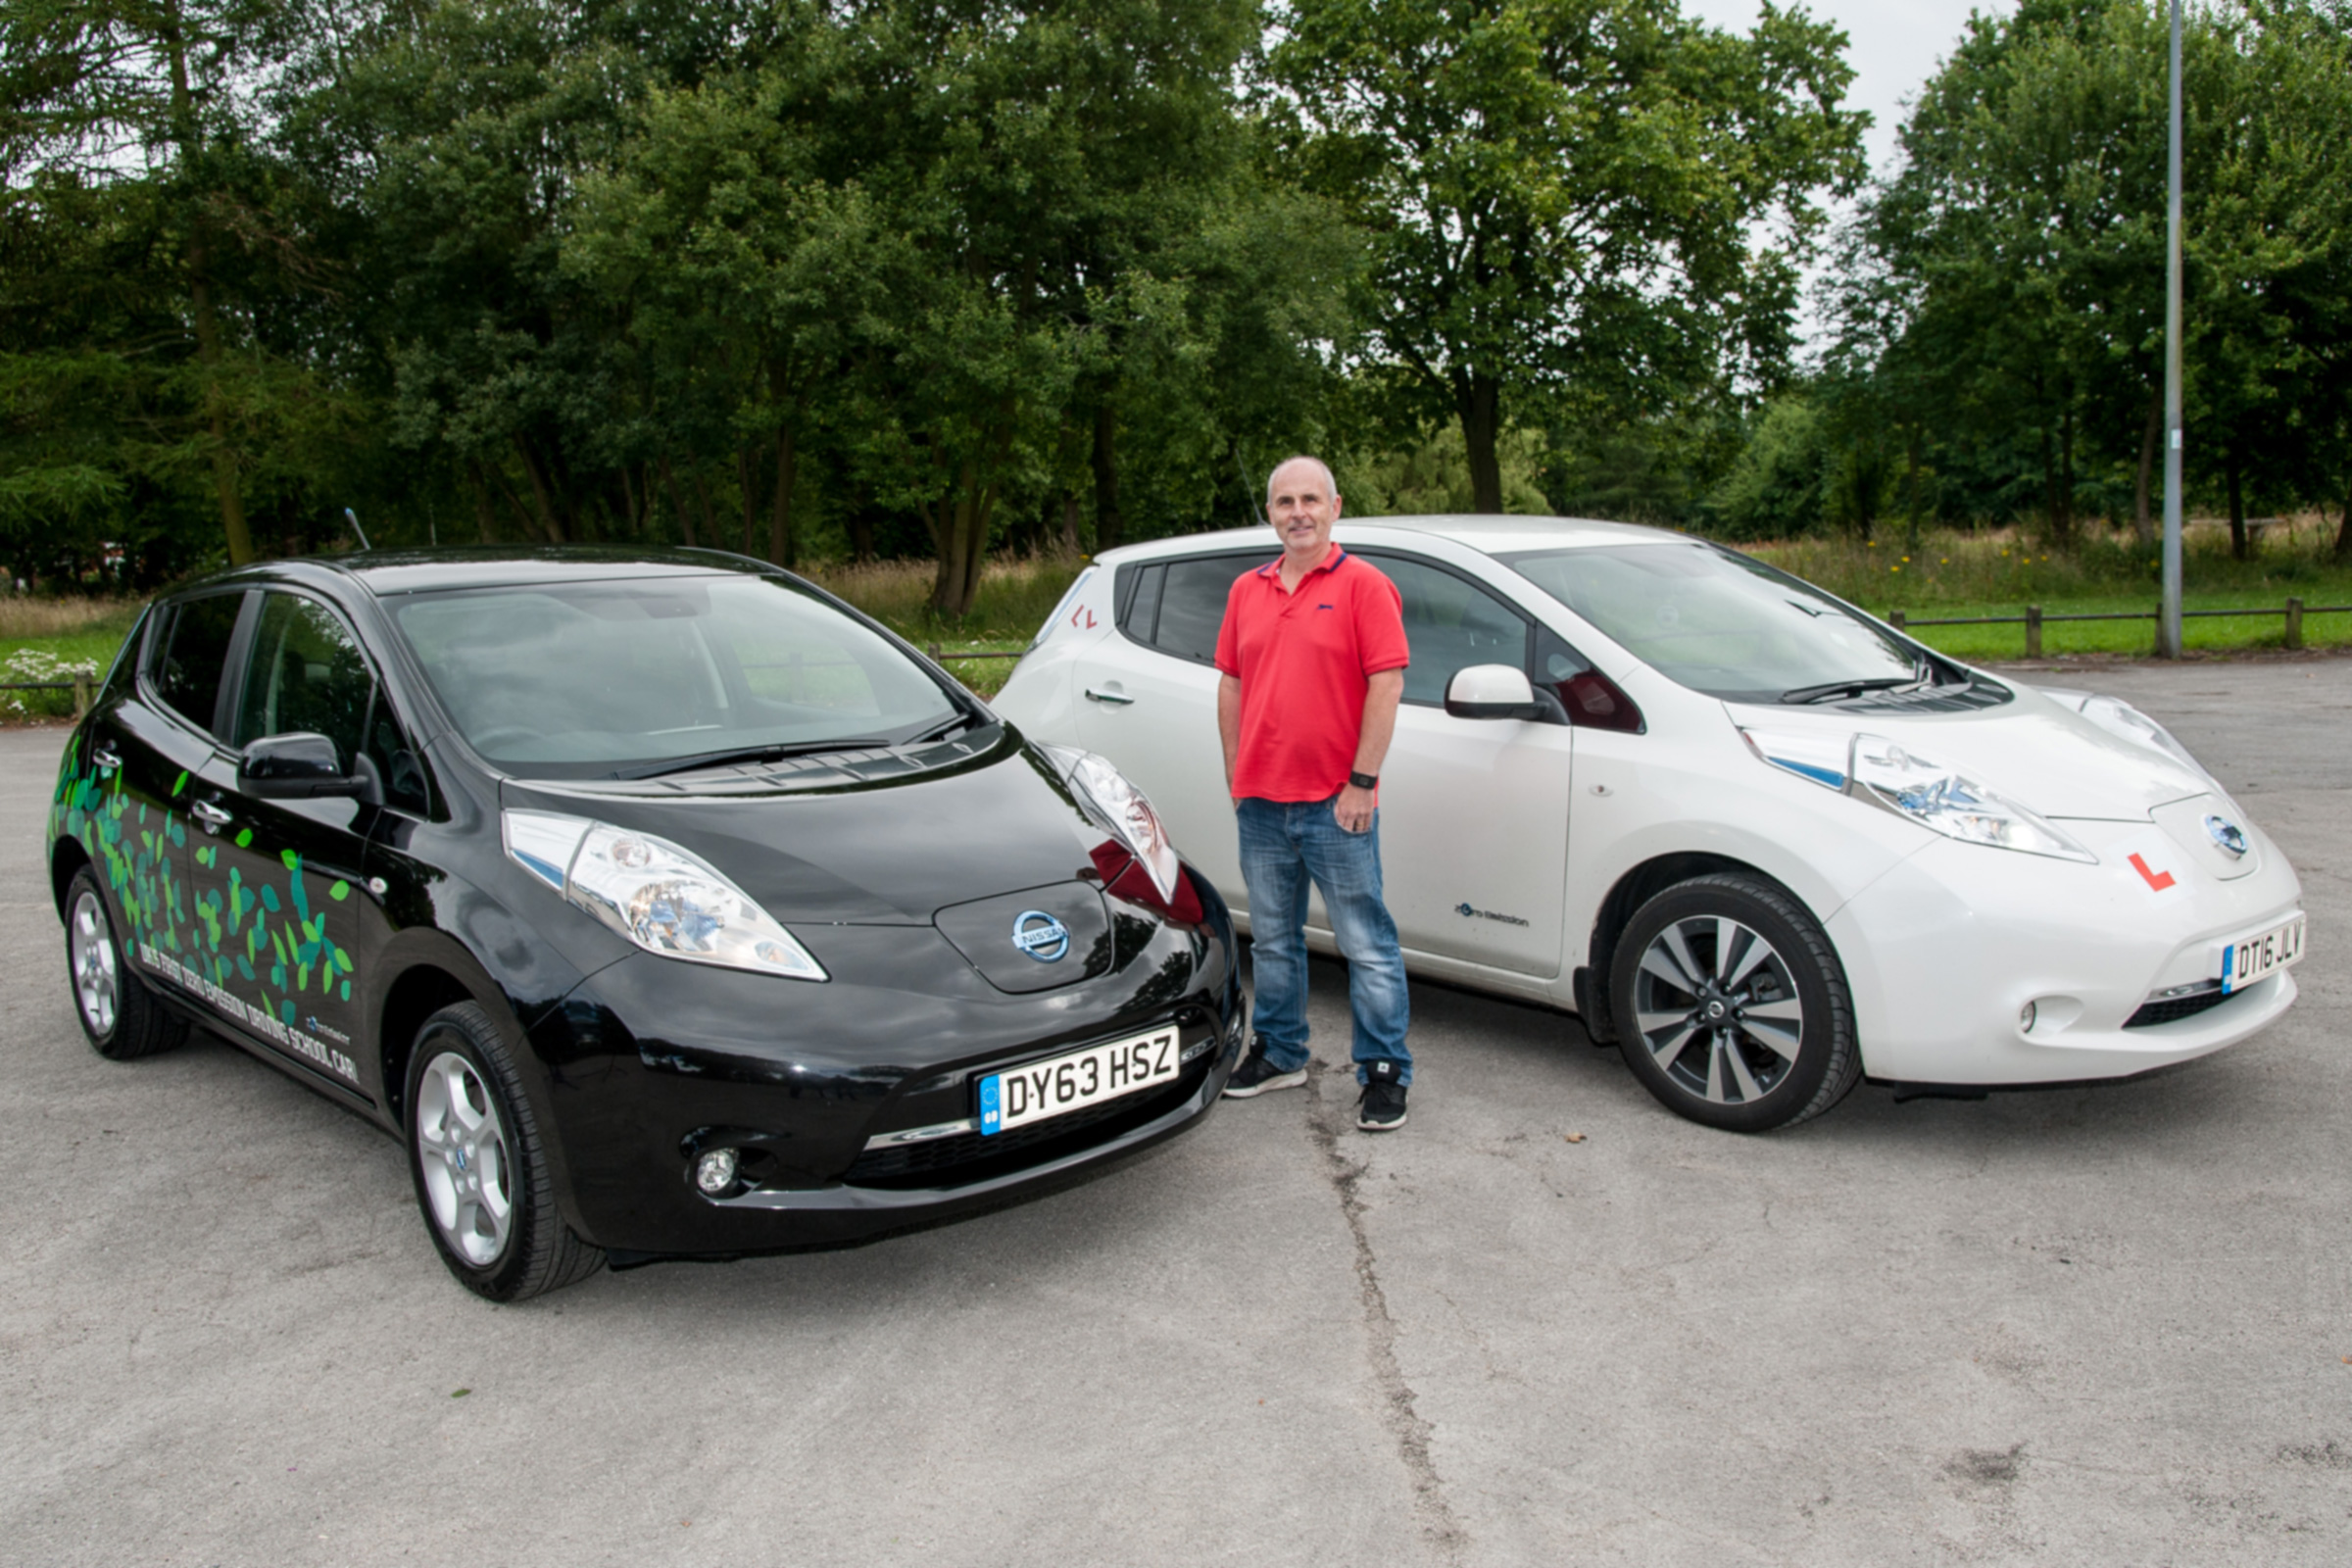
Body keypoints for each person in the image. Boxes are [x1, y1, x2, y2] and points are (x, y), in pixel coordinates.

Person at [1213, 456, 1414, 1131]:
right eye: (1283, 502)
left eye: (1310, 499)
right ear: (1269, 513)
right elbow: (1232, 684)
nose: (1297, 512)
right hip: (1262, 805)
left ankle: (1384, 1071)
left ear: (1335, 506)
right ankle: (1280, 1052)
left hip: (1338, 803)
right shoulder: (1247, 589)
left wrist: (1363, 782)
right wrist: (1235, 773)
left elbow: (1387, 685)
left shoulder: (1364, 585)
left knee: (1367, 945)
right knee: (1271, 942)